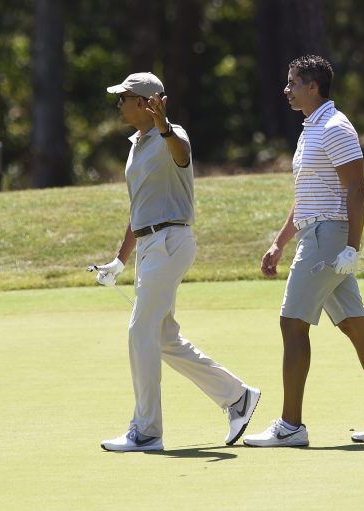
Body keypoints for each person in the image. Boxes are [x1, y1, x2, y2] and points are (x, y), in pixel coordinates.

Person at [243, 55, 364, 447]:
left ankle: (291, 426)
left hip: (328, 238)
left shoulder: (335, 127)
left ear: (313, 87)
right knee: (355, 326)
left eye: (293, 83)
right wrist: (280, 242)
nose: (287, 89)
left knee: (292, 323)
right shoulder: (311, 128)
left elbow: (358, 189)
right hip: (317, 234)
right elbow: (307, 196)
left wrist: (352, 247)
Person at [96, 72, 260, 451]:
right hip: (151, 244)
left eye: (124, 98)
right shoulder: (137, 144)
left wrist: (164, 126)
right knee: (163, 338)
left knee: (140, 331)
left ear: (144, 103)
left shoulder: (172, 135)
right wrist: (120, 260)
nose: (119, 104)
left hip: (170, 241)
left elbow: (181, 154)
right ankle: (237, 397)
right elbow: (139, 208)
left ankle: (146, 431)